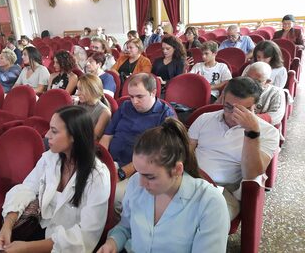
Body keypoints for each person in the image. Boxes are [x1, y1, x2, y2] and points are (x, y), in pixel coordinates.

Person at [98, 118, 230, 253]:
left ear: (177, 170)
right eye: (139, 172)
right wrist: (112, 243)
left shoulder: (210, 203)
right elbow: (126, 227)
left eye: (150, 177)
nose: (141, 183)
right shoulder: (135, 182)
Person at [0, 106, 110, 252]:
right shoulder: (51, 157)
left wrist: (28, 248)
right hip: (41, 231)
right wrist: (8, 225)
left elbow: (85, 237)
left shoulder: (97, 176)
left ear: (74, 136)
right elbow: (27, 188)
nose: (47, 135)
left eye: (54, 131)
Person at [189, 77, 280, 219]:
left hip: (225, 191)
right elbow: (185, 152)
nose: (232, 115)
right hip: (192, 181)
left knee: (204, 218)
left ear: (254, 107)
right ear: (223, 99)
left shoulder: (268, 132)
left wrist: (251, 132)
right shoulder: (204, 119)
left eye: (241, 110)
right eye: (228, 107)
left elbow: (251, 174)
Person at [100, 73, 175, 215]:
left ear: (153, 92)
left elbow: (156, 156)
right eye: (131, 97)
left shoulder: (165, 116)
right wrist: (101, 163)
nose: (134, 101)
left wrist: (121, 173)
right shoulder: (125, 107)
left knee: (116, 196)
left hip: (139, 172)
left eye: (139, 97)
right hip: (111, 162)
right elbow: (107, 136)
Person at [75, 74, 111, 140]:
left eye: (81, 90)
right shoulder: (78, 103)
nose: (77, 93)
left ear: (92, 90)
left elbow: (93, 138)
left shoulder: (104, 112)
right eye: (78, 89)